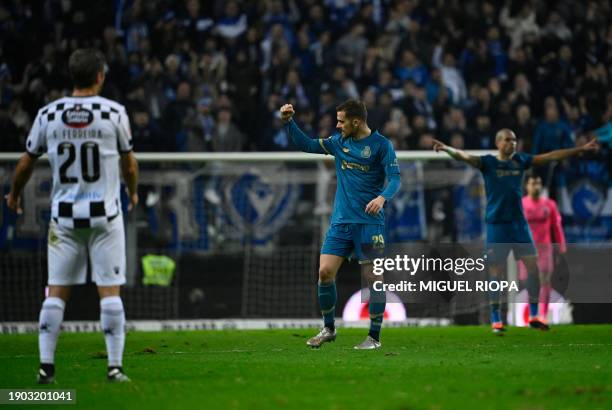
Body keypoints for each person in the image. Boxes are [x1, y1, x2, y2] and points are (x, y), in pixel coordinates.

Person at [5, 49, 139, 382]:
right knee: (109, 291)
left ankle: (46, 367)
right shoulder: (113, 113)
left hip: (63, 219)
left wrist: (14, 194)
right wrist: (132, 190)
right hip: (105, 217)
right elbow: (129, 162)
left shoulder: (49, 114)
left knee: (55, 292)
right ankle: (115, 366)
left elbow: (26, 161)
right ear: (100, 76)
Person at [432, 129, 597, 333]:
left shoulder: (520, 161)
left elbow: (550, 156)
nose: (512, 143)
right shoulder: (488, 163)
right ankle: (495, 318)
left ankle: (535, 314)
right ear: (498, 142)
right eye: (508, 140)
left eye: (515, 140)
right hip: (496, 225)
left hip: (518, 225)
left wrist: (579, 149)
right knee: (496, 273)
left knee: (533, 269)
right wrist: (448, 149)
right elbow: (464, 156)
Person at [280, 99, 401, 349]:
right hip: (341, 223)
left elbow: (395, 179)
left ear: (356, 122)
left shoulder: (381, 145)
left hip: (369, 223)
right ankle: (328, 328)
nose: (337, 125)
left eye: (341, 121)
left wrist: (382, 197)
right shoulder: (339, 143)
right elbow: (307, 144)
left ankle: (374, 337)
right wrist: (289, 122)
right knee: (325, 273)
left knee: (373, 280)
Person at [520, 172, 566, 326]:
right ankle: (533, 315)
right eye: (533, 183)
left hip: (545, 250)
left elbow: (557, 226)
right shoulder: (521, 205)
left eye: (538, 183)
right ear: (527, 186)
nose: (536, 187)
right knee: (530, 283)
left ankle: (543, 316)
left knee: (545, 281)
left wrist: (561, 246)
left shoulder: (549, 205)